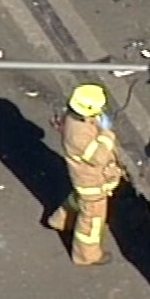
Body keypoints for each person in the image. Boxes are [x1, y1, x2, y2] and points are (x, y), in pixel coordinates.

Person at [47, 84, 123, 266]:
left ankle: (60, 221)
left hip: (84, 181)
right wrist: (107, 134)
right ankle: (87, 255)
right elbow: (98, 157)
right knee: (92, 220)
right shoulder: (79, 134)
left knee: (77, 201)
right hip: (92, 183)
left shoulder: (76, 118)